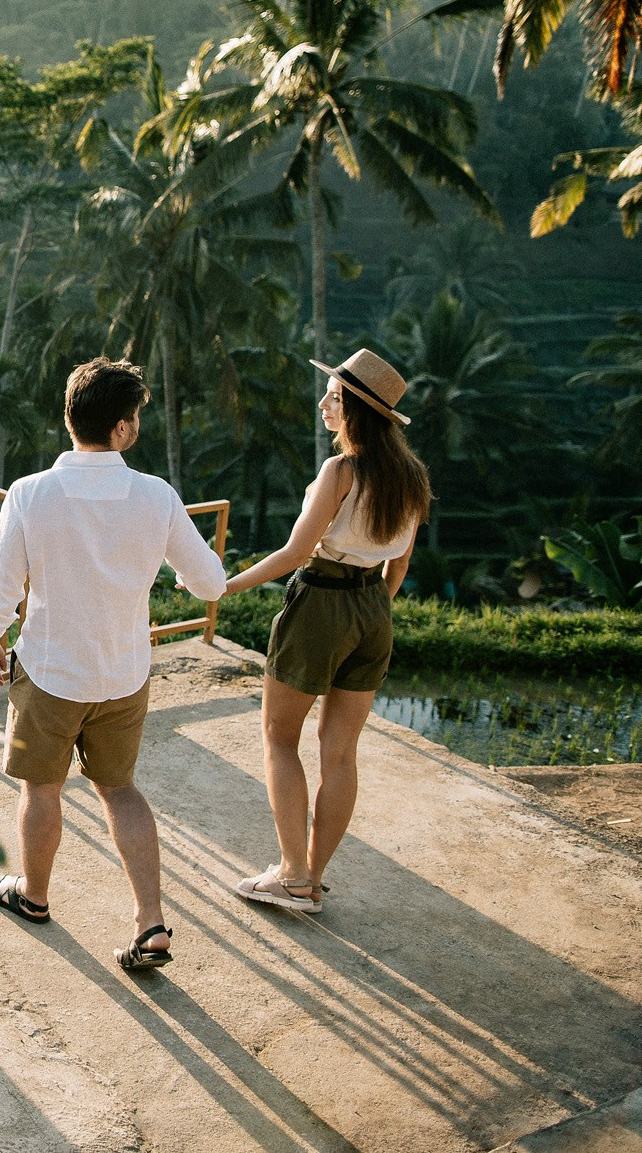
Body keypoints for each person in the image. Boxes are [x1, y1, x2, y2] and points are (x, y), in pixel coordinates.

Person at [0, 357, 227, 971]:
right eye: (135, 416)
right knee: (119, 790)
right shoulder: (156, 496)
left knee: (41, 786)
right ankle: (151, 922)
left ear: (69, 417)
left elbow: (0, 583)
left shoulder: (31, 493)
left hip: (52, 671)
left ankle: (33, 897)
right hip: (123, 673)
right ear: (122, 429)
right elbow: (210, 585)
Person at [219, 348, 430, 914]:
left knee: (279, 739)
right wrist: (368, 610)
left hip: (322, 604)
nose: (323, 403)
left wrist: (224, 587)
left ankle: (291, 874)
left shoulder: (341, 471)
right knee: (340, 754)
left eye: (333, 396)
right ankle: (310, 879)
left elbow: (294, 552)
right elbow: (400, 566)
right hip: (373, 610)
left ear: (356, 410)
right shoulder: (412, 476)